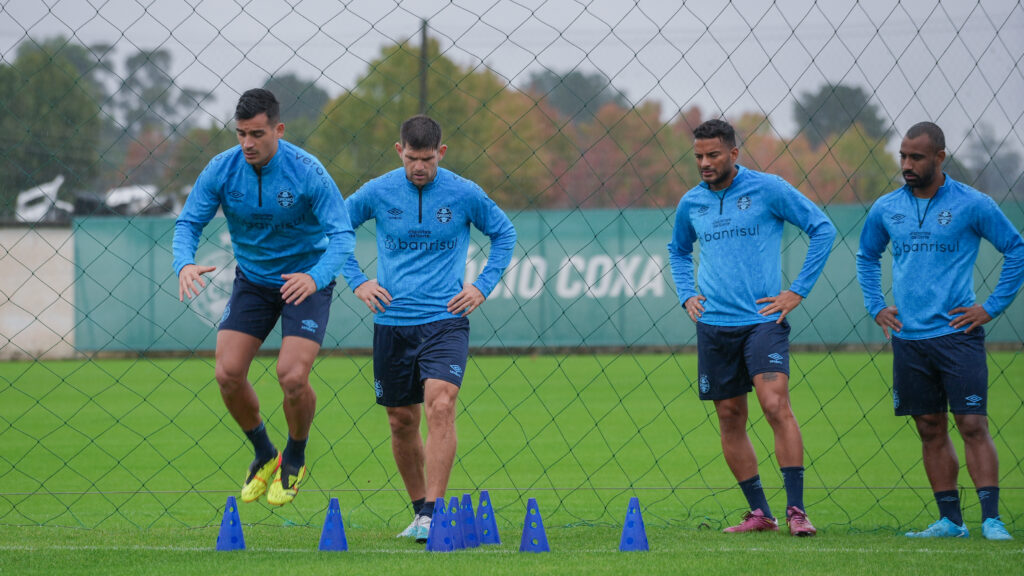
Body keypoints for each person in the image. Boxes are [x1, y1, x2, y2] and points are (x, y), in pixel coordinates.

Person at [173, 88, 355, 506]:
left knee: (292, 376)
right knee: (227, 373)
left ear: (279, 129)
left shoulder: (307, 171)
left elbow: (343, 236)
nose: (247, 144)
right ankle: (263, 452)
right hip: (253, 281)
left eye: (257, 134)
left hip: (304, 279)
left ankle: (295, 453)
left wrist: (316, 276)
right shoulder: (222, 169)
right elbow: (188, 223)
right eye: (240, 134)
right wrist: (183, 262)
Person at [342, 115, 516, 542]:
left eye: (427, 159)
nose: (418, 168)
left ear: (441, 153)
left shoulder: (464, 193)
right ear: (398, 151)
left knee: (441, 404)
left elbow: (504, 234)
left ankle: (436, 513)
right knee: (402, 420)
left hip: (445, 320)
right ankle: (420, 511)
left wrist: (481, 286)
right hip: (392, 322)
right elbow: (335, 228)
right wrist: (358, 280)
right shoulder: (378, 192)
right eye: (411, 158)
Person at [667, 119, 836, 536]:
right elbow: (677, 249)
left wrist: (797, 292)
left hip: (764, 321)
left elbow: (822, 228)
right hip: (714, 325)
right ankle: (761, 513)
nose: (705, 163)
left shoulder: (769, 188)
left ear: (734, 154)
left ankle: (797, 510)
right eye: (699, 157)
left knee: (775, 405)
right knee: (729, 416)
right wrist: (687, 292)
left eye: (713, 155)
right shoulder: (691, 203)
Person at [856, 122, 1023, 540]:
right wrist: (876, 305)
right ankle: (951, 521)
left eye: (916, 157)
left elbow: (1016, 248)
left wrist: (990, 307)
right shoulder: (886, 207)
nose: (907, 165)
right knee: (929, 427)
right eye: (903, 157)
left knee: (972, 424)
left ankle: (991, 519)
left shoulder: (973, 203)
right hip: (909, 340)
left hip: (957, 336)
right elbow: (866, 256)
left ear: (940, 157)